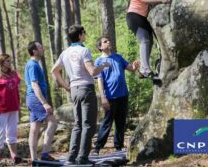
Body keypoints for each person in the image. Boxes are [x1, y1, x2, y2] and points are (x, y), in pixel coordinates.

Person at [51, 25, 110, 165]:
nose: (86, 34)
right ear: (79, 36)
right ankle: (82, 157)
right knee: (88, 125)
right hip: (86, 88)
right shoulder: (84, 50)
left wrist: (66, 87)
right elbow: (92, 72)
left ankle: (71, 157)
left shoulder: (65, 53)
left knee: (78, 124)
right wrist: (104, 65)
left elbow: (54, 70)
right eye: (84, 32)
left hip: (74, 89)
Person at [126, 0, 175, 79]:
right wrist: (161, 0)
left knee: (150, 41)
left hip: (142, 17)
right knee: (145, 40)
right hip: (134, 16)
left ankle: (144, 70)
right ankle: (145, 70)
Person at [93, 36, 140, 155]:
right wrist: (103, 97)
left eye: (108, 40)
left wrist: (135, 66)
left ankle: (118, 147)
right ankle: (97, 148)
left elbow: (131, 68)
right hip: (109, 97)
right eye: (105, 41)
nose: (108, 42)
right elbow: (99, 80)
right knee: (107, 122)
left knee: (120, 122)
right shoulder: (99, 61)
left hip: (123, 95)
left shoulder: (118, 57)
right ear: (100, 47)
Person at [24, 41, 57, 162]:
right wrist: (44, 102)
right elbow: (34, 85)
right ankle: (45, 154)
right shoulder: (33, 65)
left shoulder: (33, 64)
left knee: (35, 128)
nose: (43, 48)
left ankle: (34, 159)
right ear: (34, 51)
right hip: (35, 99)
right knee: (52, 122)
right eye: (40, 47)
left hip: (32, 99)